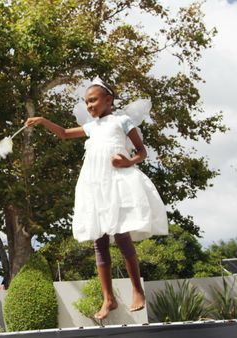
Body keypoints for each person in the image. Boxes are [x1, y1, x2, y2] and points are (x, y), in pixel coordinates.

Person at [25, 80, 168, 320]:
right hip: (94, 184)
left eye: (93, 100)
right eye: (86, 102)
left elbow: (142, 152)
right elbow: (63, 133)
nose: (89, 105)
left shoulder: (122, 122)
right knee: (99, 240)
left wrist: (128, 162)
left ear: (108, 100)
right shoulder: (91, 127)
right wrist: (41, 121)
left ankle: (137, 290)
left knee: (121, 235)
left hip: (116, 182)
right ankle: (108, 298)